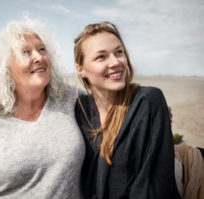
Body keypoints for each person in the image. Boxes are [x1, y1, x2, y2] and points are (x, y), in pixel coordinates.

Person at [0, 20, 85, 198]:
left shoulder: (72, 99)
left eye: (42, 49)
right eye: (25, 52)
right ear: (6, 67)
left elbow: (110, 104)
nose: (38, 57)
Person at [74, 21, 181, 198]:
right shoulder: (80, 110)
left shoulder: (147, 101)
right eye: (101, 57)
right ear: (81, 69)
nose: (116, 62)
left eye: (119, 52)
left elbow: (152, 185)